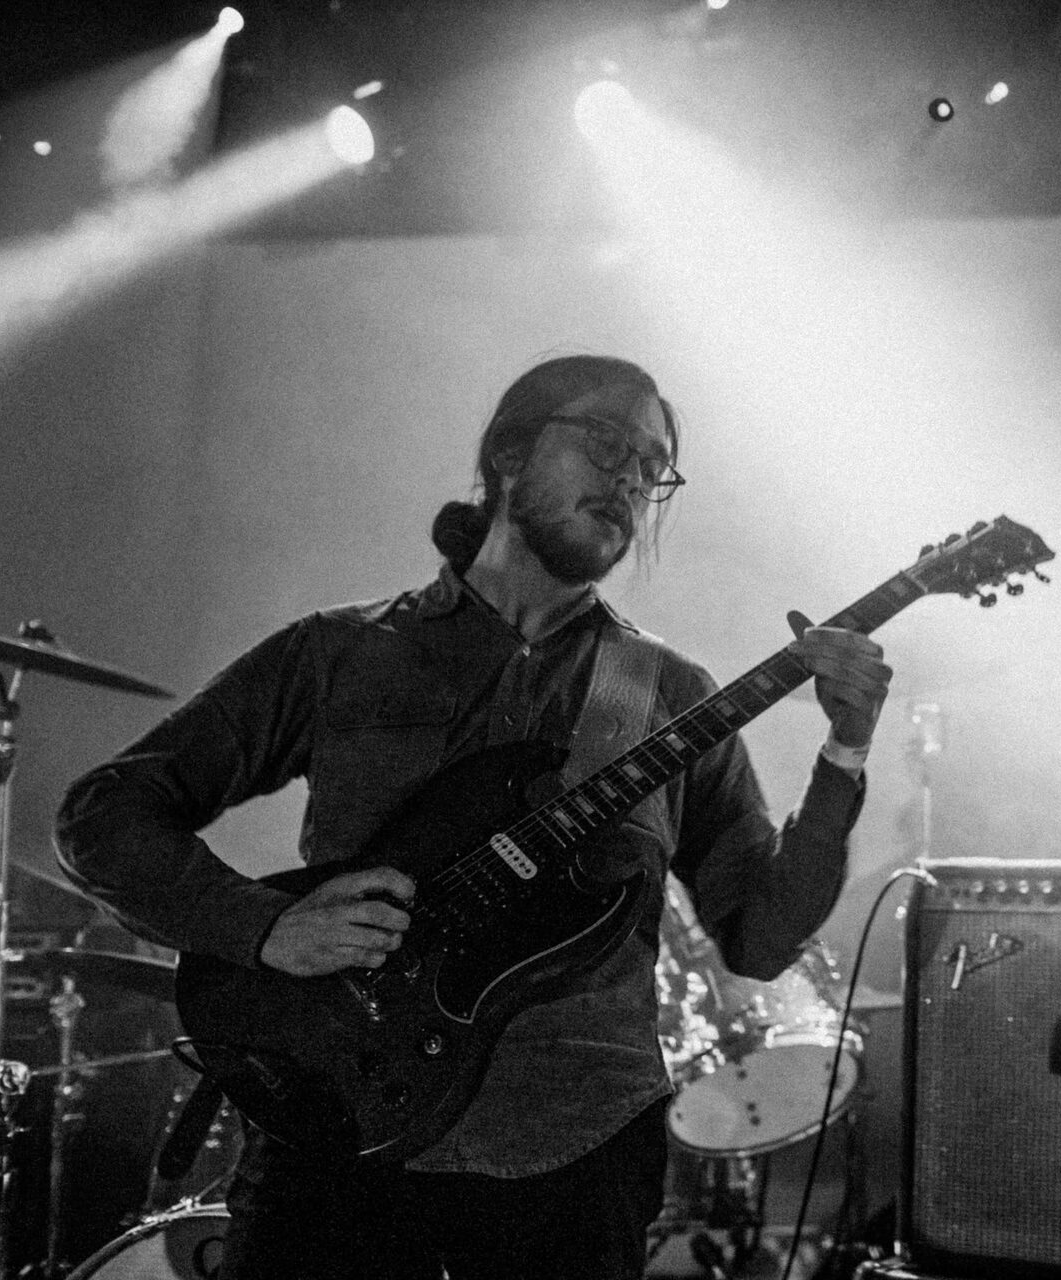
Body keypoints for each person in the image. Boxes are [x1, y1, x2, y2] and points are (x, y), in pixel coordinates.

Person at [55, 354, 892, 1279]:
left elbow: (761, 938)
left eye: (653, 467)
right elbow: (104, 816)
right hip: (334, 1122)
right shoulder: (342, 652)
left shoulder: (666, 694)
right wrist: (265, 927)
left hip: (575, 1150)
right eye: (607, 442)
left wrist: (845, 752)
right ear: (508, 453)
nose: (630, 479)